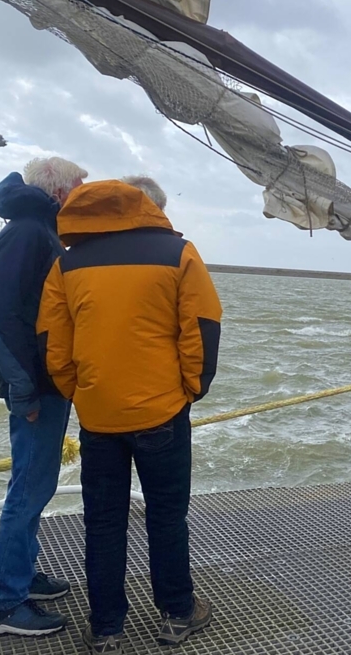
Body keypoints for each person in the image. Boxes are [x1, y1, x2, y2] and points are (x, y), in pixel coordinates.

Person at [37, 179, 222, 653]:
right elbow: (200, 328)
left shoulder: (67, 262)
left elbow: (52, 343)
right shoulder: (179, 253)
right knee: (166, 516)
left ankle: (106, 629)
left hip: (98, 417)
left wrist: (78, 393)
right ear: (148, 206)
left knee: (102, 523)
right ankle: (178, 613)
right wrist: (189, 391)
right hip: (162, 411)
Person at [0, 157, 88, 637]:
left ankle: (23, 574)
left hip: (43, 382)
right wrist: (25, 388)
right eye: (79, 188)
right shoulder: (28, 232)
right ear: (60, 192)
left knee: (35, 485)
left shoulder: (37, 229)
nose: (83, 196)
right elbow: (3, 315)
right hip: (35, 387)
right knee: (27, 488)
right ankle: (4, 605)